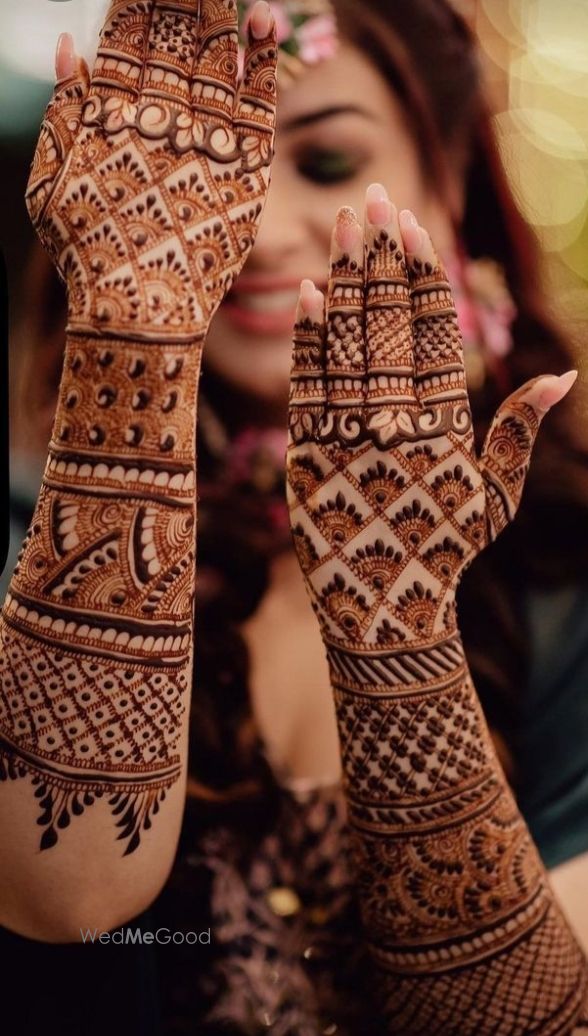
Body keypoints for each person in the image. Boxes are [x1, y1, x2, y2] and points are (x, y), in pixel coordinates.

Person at [1, 0, 587, 1033]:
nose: (258, 233)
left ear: (450, 185)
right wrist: (133, 343)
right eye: (221, 172)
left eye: (324, 165)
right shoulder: (26, 530)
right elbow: (67, 894)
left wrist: (394, 627)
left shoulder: (568, 554)